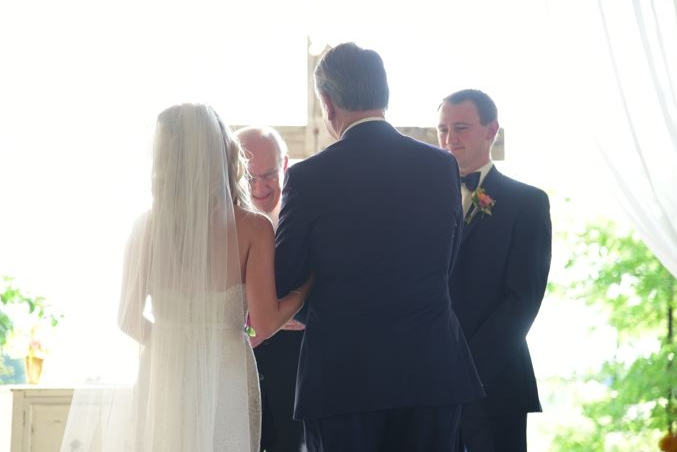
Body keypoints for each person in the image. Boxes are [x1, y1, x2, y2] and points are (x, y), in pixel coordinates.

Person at [60, 104, 312, 452]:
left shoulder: (145, 228)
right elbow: (265, 323)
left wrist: (176, 345)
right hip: (226, 375)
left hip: (165, 375)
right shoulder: (253, 228)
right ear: (222, 153)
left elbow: (127, 318)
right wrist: (305, 289)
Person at [274, 42, 484, 452]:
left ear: (327, 104)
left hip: (342, 380)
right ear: (384, 93)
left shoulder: (308, 177)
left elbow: (286, 279)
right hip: (430, 374)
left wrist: (315, 306)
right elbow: (447, 262)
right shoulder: (441, 166)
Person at [436, 89, 552, 452]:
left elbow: (523, 298)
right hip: (428, 386)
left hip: (496, 382)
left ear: (491, 130)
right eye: (443, 129)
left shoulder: (527, 203)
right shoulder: (420, 202)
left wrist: (468, 370)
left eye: (461, 128)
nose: (450, 139)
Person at [235, 126, 305, 452]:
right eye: (250, 177)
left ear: (285, 166)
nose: (259, 187)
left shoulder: (304, 221)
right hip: (238, 375)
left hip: (295, 379)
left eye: (269, 176)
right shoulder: (222, 227)